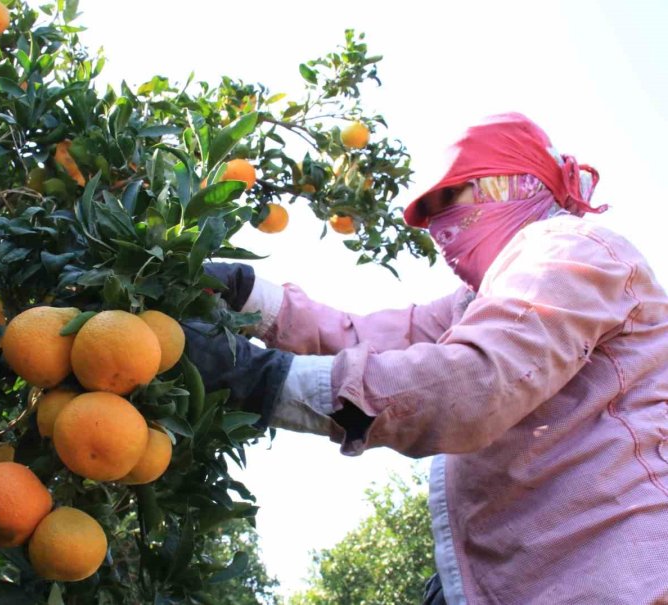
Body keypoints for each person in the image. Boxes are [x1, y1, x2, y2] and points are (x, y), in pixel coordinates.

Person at [183, 112, 668, 605]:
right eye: (431, 212)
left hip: (623, 574)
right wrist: (249, 296)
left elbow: (473, 385)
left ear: (506, 182)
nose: (439, 227)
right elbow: (368, 338)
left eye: (449, 199)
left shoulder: (573, 250)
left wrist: (261, 381)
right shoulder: (475, 304)